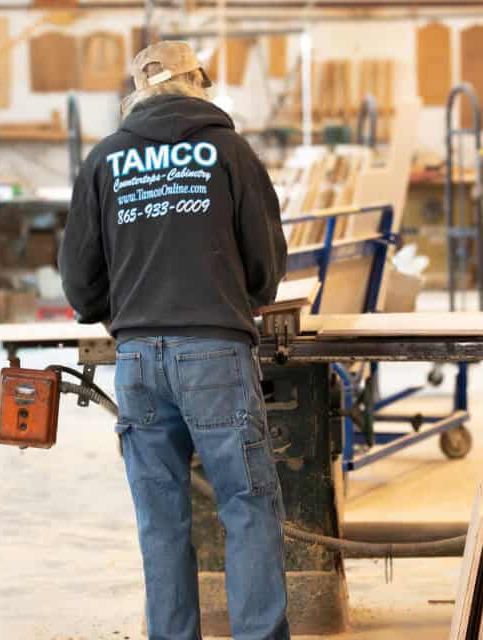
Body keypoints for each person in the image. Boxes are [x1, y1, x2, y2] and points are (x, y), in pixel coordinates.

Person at [59, 41, 290, 640]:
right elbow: (265, 257)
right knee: (245, 508)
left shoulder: (105, 159)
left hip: (137, 360)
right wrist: (249, 295)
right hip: (215, 353)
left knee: (161, 521)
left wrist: (117, 311)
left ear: (135, 93)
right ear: (201, 83)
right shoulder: (230, 151)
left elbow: (80, 281)